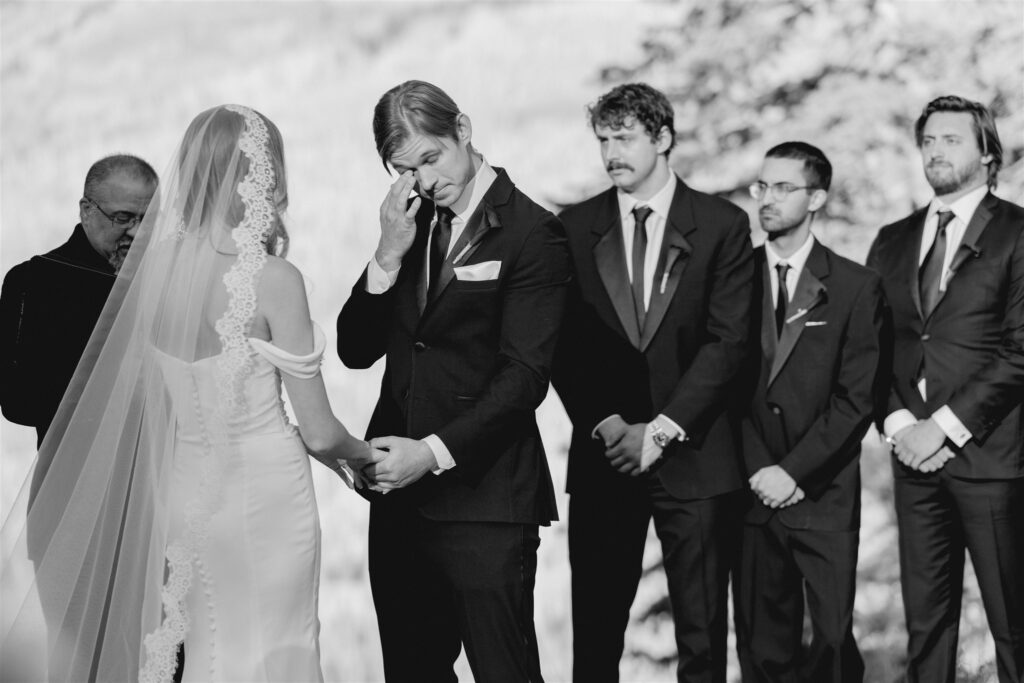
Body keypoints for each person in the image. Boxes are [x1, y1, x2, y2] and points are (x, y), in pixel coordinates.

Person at [0, 105, 375, 683]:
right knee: (276, 644)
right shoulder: (274, 279)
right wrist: (364, 455)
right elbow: (322, 433)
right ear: (261, 175)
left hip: (182, 492)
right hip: (266, 490)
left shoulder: (151, 276)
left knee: (207, 646)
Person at [337, 79, 570, 683]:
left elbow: (524, 379)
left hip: (486, 500)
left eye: (431, 157)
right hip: (398, 505)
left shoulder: (534, 232)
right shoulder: (409, 226)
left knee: (505, 673)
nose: (424, 180)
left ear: (462, 130)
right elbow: (354, 351)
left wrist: (431, 454)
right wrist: (386, 256)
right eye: (405, 170)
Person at [551, 82, 753, 682]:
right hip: (606, 454)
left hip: (697, 455)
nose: (612, 152)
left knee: (702, 641)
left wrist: (661, 430)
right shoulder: (573, 228)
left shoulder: (721, 225)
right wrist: (607, 422)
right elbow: (562, 344)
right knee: (594, 642)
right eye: (603, 140)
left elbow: (729, 342)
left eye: (625, 138)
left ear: (663, 138)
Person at [867, 95, 1024, 683]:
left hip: (994, 460)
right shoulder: (891, 240)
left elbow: (1020, 350)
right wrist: (901, 426)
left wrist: (943, 428)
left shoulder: (1018, 232)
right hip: (913, 462)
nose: (935, 151)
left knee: (1014, 628)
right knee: (926, 632)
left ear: (987, 154)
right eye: (928, 141)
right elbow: (870, 348)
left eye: (951, 140)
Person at [734, 142, 885, 683]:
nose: (767, 199)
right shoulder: (733, 279)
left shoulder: (856, 286)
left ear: (816, 198)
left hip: (823, 495)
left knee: (833, 648)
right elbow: (721, 386)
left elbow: (857, 399)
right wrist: (761, 469)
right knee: (761, 652)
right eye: (762, 186)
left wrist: (793, 472)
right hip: (751, 493)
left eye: (783, 187)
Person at [0, 155, 157, 446]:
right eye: (123, 218)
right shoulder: (31, 280)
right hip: (70, 464)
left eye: (148, 219)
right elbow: (15, 403)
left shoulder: (168, 276)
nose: (137, 232)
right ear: (87, 210)